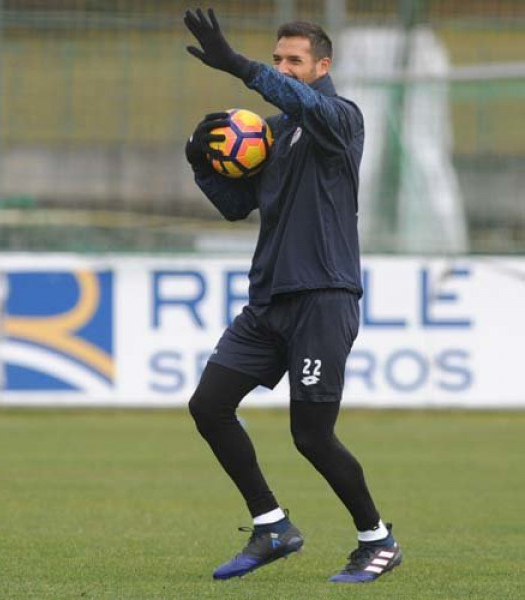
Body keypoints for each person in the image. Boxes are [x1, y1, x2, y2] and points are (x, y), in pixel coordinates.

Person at [182, 9, 402, 584]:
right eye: (277, 59)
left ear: (323, 66)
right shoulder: (273, 135)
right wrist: (199, 161)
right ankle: (272, 526)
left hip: (323, 298)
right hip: (269, 302)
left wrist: (240, 66)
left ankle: (376, 539)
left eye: (294, 61)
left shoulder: (341, 120)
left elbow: (306, 104)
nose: (283, 69)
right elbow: (236, 205)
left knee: (310, 435)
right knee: (208, 406)